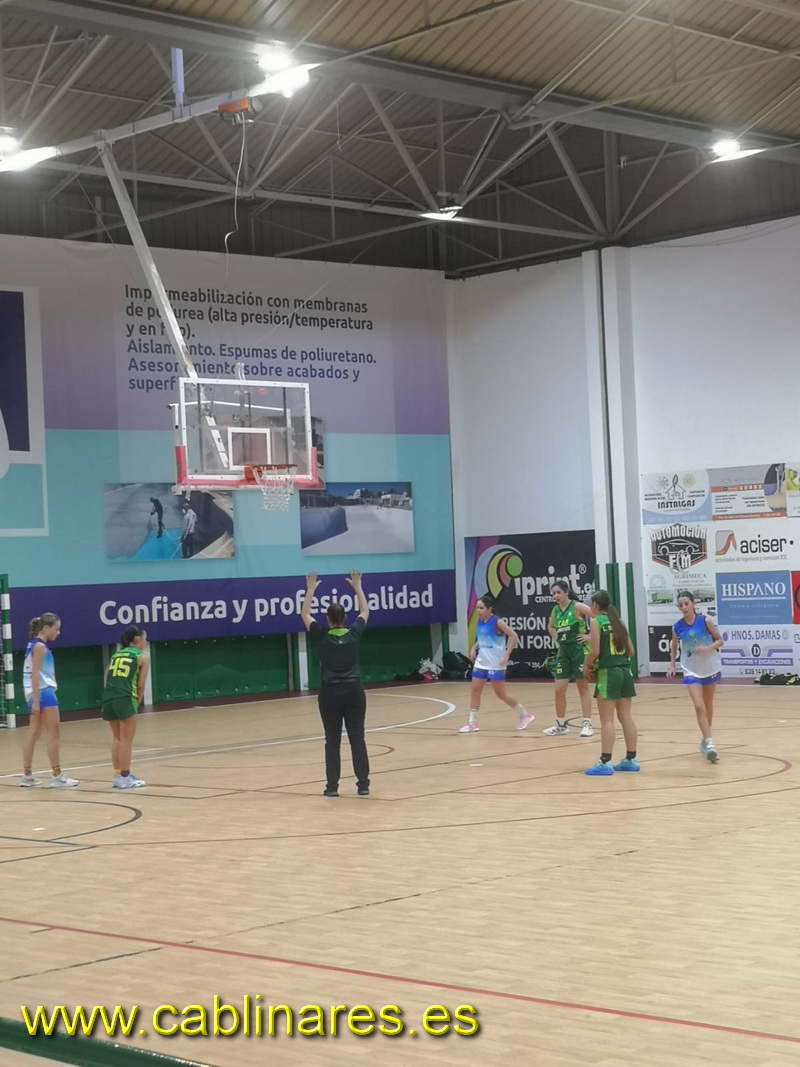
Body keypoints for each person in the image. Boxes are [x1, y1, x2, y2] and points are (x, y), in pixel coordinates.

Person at [301, 571, 370, 798]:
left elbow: (305, 614)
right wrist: (357, 586)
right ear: (345, 618)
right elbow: (365, 611)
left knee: (332, 741)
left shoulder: (322, 635)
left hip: (330, 693)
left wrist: (311, 589)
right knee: (357, 738)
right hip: (354, 691)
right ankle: (363, 785)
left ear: (328, 619)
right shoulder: (354, 633)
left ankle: (332, 787)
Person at [582, 591, 638, 776]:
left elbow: (595, 651)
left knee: (606, 719)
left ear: (595, 605)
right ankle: (631, 760)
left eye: (591, 604)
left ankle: (605, 762)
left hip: (609, 673)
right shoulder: (618, 622)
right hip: (625, 671)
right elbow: (631, 651)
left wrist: (586, 665)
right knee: (626, 717)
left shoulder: (596, 622)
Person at [458, 594, 533, 733]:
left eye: (481, 608)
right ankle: (472, 723)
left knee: (501, 694)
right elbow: (483, 638)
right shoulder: (480, 621)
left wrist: (507, 654)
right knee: (475, 690)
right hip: (481, 662)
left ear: (489, 609)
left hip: (496, 663)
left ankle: (525, 715)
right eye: (477, 608)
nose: (478, 611)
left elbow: (513, 635)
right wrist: (474, 647)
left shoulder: (497, 622)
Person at [20, 614, 79, 788]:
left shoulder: (32, 645)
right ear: (46, 628)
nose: (58, 632)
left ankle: (27, 775)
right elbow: (35, 673)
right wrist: (37, 701)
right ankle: (57, 775)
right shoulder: (39, 647)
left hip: (32, 692)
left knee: (33, 733)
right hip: (43, 692)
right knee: (53, 732)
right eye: (56, 629)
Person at [668, 590, 724, 763]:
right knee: (699, 705)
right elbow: (674, 646)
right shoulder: (677, 627)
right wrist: (672, 665)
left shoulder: (705, 621)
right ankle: (709, 743)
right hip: (691, 669)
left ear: (693, 604)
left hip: (709, 667)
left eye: (686, 603)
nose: (684, 607)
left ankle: (706, 737)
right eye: (680, 605)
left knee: (708, 704)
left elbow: (720, 640)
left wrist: (708, 648)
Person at [543, 580, 594, 738]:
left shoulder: (577, 606)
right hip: (563, 652)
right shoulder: (555, 610)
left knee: (582, 687)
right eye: (553, 593)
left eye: (558, 592)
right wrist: (557, 639)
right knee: (559, 689)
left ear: (566, 592)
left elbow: (597, 617)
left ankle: (587, 723)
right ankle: (560, 725)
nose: (555, 596)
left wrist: (590, 636)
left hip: (578, 651)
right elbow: (550, 626)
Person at [102, 626, 149, 789]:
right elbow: (141, 685)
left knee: (117, 738)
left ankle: (117, 776)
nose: (146, 642)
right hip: (125, 697)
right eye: (145, 638)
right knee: (126, 740)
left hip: (108, 696)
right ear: (138, 639)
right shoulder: (142, 657)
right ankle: (125, 776)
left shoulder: (115, 655)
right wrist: (137, 702)